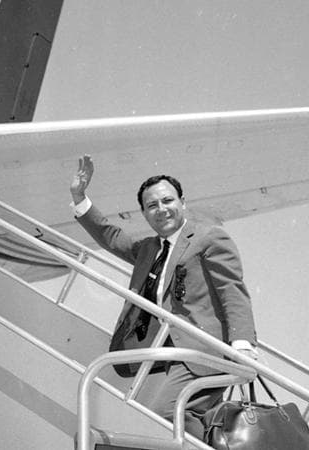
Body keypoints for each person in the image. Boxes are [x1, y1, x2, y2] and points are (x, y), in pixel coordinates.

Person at [69, 154, 258, 438]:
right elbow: (111, 237)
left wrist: (242, 345)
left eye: (168, 201)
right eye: (152, 205)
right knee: (178, 418)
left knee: (160, 415)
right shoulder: (149, 249)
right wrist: (80, 197)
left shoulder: (209, 239)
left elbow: (231, 290)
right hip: (172, 353)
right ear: (144, 214)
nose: (162, 209)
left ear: (183, 202)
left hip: (204, 351)